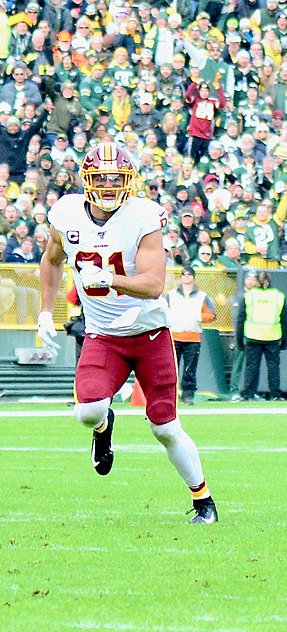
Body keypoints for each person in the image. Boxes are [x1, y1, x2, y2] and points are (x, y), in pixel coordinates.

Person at [36, 141, 217, 524]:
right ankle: (105, 426)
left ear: (129, 180)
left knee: (164, 426)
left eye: (115, 178)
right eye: (101, 177)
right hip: (103, 334)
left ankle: (204, 501)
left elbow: (153, 284)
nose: (107, 185)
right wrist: (44, 312)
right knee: (87, 412)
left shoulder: (143, 216)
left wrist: (111, 278)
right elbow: (51, 260)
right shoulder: (66, 213)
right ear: (86, 178)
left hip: (149, 333)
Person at [166, 266, 216, 405]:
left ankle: (188, 395)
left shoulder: (202, 296)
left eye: (189, 274)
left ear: (193, 277)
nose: (186, 276)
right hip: (174, 335)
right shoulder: (172, 294)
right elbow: (163, 311)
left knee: (190, 370)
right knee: (171, 369)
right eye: (184, 274)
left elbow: (211, 315)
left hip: (193, 337)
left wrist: (197, 317)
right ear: (181, 277)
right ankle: (170, 395)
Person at [235, 270, 287, 401]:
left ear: (257, 282)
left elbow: (241, 318)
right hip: (273, 336)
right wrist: (285, 341)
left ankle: (248, 394)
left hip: (253, 336)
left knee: (252, 366)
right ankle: (275, 394)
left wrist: (239, 340)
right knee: (273, 367)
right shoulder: (278, 296)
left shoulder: (249, 295)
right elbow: (285, 320)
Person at [227, 271, 257, 402]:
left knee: (252, 365)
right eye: (249, 279)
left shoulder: (257, 296)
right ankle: (234, 391)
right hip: (243, 334)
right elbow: (235, 318)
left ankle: (250, 391)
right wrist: (238, 334)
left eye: (253, 279)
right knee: (238, 364)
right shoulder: (240, 296)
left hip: (255, 334)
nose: (251, 282)